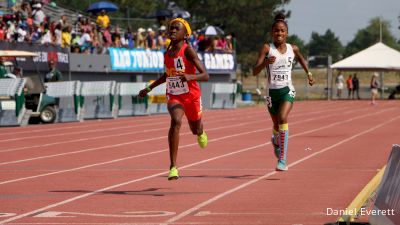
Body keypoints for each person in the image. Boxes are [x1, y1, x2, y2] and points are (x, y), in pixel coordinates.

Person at [138, 18, 209, 180]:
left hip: (191, 96)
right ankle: (173, 167)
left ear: (186, 34)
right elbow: (167, 75)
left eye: (177, 28)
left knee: (195, 129)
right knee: (176, 121)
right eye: (171, 28)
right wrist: (148, 88)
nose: (173, 30)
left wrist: (189, 76)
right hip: (174, 95)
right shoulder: (167, 53)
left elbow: (205, 75)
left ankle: (201, 131)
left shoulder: (188, 51)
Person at [252, 13, 315, 171]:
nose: (279, 33)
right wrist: (266, 62)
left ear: (286, 33)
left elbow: (300, 59)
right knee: (275, 124)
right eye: (276, 31)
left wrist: (309, 74)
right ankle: (276, 141)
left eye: (282, 31)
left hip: (287, 90)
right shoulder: (267, 48)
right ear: (272, 33)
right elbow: (254, 71)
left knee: (282, 118)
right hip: (271, 93)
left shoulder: (293, 48)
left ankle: (282, 160)